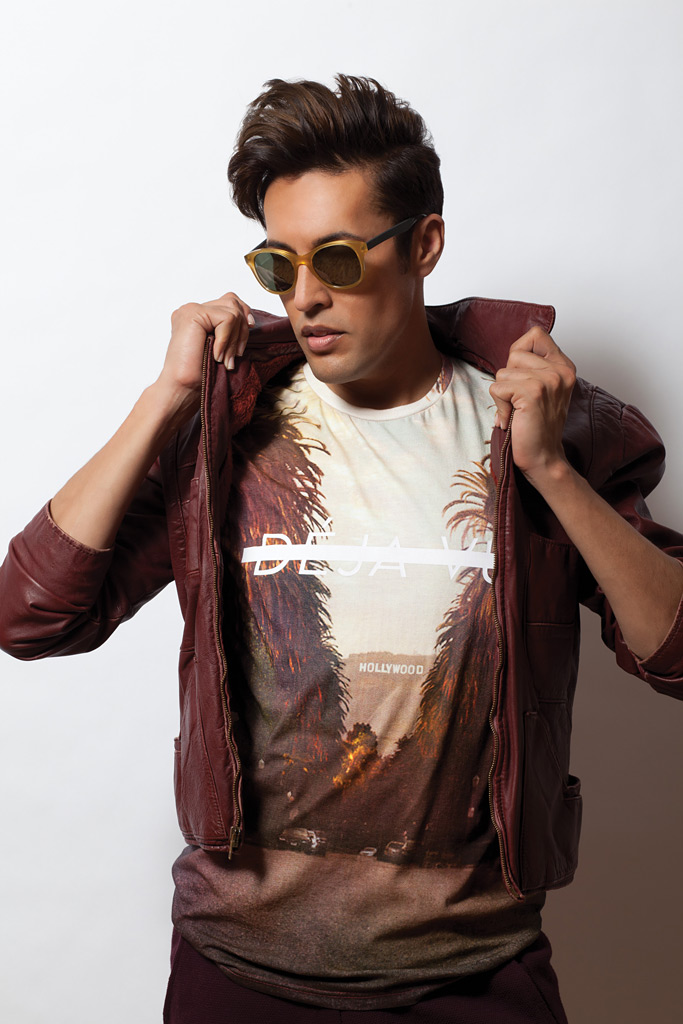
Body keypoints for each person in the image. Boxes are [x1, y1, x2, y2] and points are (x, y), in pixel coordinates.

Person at [1, 74, 682, 1024]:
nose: (307, 297)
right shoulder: (227, 429)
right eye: (278, 266)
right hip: (236, 975)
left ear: (424, 244)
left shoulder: (533, 423)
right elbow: (30, 618)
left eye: (336, 258)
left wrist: (552, 473)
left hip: (474, 975)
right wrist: (165, 400)